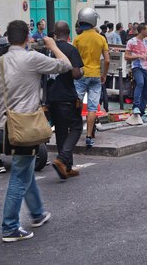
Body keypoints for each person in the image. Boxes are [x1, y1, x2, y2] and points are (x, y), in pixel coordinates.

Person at [0, 20, 72, 242]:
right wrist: (52, 46)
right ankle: (10, 226)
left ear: (7, 37)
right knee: (20, 175)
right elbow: (66, 65)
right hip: (27, 128)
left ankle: (37, 213)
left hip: (7, 127)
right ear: (27, 38)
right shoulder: (33, 59)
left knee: (26, 168)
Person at [47, 21, 84, 180]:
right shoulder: (70, 49)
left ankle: (66, 167)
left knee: (61, 131)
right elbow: (76, 74)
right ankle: (62, 159)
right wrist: (81, 72)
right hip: (66, 96)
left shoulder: (48, 51)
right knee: (76, 128)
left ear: (54, 34)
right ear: (69, 34)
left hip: (51, 96)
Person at [73, 8, 109, 148]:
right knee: (93, 108)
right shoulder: (100, 38)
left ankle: (74, 131)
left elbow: (73, 59)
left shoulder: (77, 39)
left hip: (81, 75)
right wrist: (104, 74)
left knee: (77, 102)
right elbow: (106, 60)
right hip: (95, 75)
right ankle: (89, 136)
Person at [125, 23, 147, 123]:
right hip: (137, 67)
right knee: (140, 83)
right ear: (142, 31)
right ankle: (135, 106)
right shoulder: (131, 42)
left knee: (146, 91)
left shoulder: (146, 41)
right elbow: (126, 57)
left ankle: (142, 113)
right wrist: (138, 56)